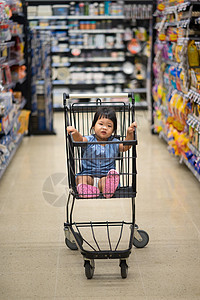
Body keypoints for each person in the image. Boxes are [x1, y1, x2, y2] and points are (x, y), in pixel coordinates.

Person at [67, 107, 137, 198]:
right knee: (81, 178)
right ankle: (84, 189)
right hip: (88, 173)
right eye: (101, 124)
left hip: (106, 175)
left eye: (109, 126)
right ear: (93, 126)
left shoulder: (114, 142)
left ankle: (107, 189)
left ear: (113, 130)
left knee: (105, 181)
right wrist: (75, 133)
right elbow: (79, 140)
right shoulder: (89, 140)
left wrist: (129, 133)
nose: (104, 128)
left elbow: (126, 146)